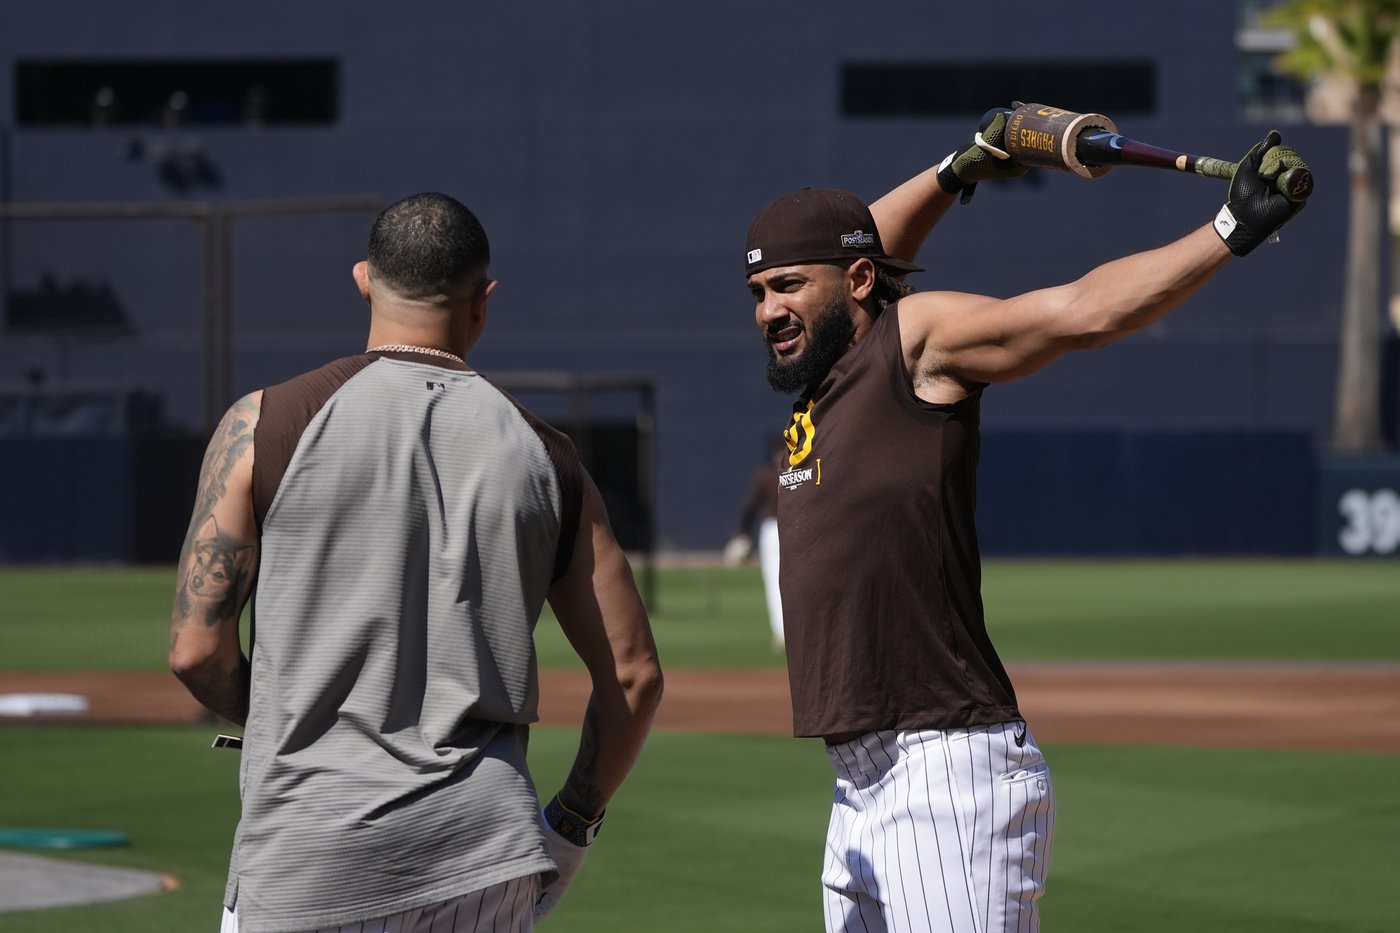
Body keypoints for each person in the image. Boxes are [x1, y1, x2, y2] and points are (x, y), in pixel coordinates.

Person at [742, 112, 1309, 932]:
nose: (768, 310)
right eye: (758, 292)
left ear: (859, 282)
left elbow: (1080, 312)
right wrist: (957, 169)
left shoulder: (917, 344)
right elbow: (854, 238)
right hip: (857, 787)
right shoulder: (828, 372)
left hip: (945, 774)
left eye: (788, 286)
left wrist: (1230, 227)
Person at [169, 192, 663, 933]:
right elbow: (633, 674)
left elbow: (195, 650)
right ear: (483, 301)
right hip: (479, 858)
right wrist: (573, 820)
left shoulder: (264, 422)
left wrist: (284, 716)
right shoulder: (547, 456)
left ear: (364, 280)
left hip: (306, 854)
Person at [723, 436, 787, 650]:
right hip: (790, 528)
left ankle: (781, 633)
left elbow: (749, 509)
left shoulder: (766, 475)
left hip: (773, 530)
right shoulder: (799, 471)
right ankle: (785, 632)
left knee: (774, 581)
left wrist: (742, 533)